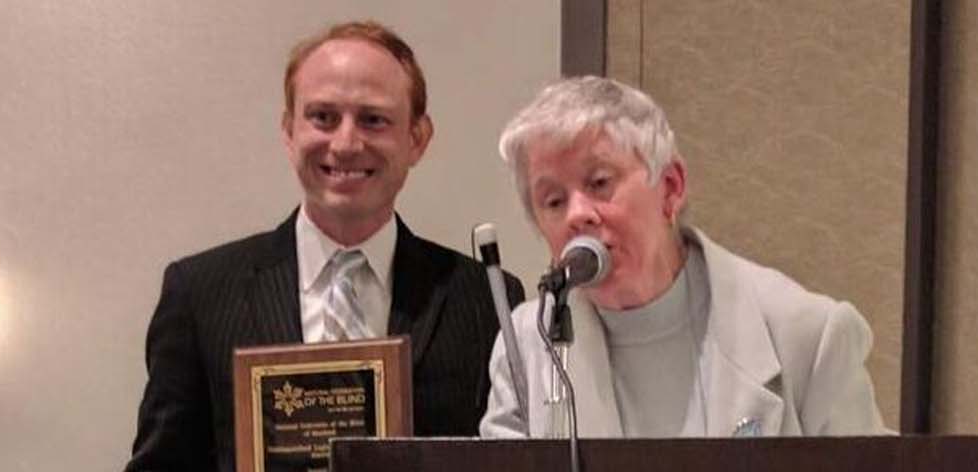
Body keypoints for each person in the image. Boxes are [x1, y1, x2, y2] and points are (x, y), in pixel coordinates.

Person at [128, 21, 524, 471]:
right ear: (289, 130)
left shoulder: (487, 299)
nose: (346, 143)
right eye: (323, 117)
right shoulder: (200, 294)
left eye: (373, 119)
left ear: (417, 138)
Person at [479, 77, 888, 438]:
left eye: (599, 182)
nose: (577, 214)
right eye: (553, 201)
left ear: (671, 187)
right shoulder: (527, 347)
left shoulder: (808, 335)